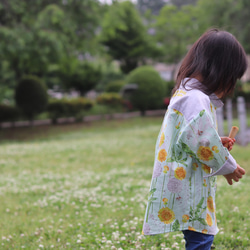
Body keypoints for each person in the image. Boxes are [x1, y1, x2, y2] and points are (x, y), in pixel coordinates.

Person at [142, 29, 247, 250]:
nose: (230, 86)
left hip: (183, 181)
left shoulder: (186, 93)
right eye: (231, 78)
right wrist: (228, 165)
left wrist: (216, 139)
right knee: (201, 238)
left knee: (198, 237)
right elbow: (203, 143)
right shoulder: (195, 98)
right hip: (187, 184)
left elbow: (190, 136)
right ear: (220, 70)